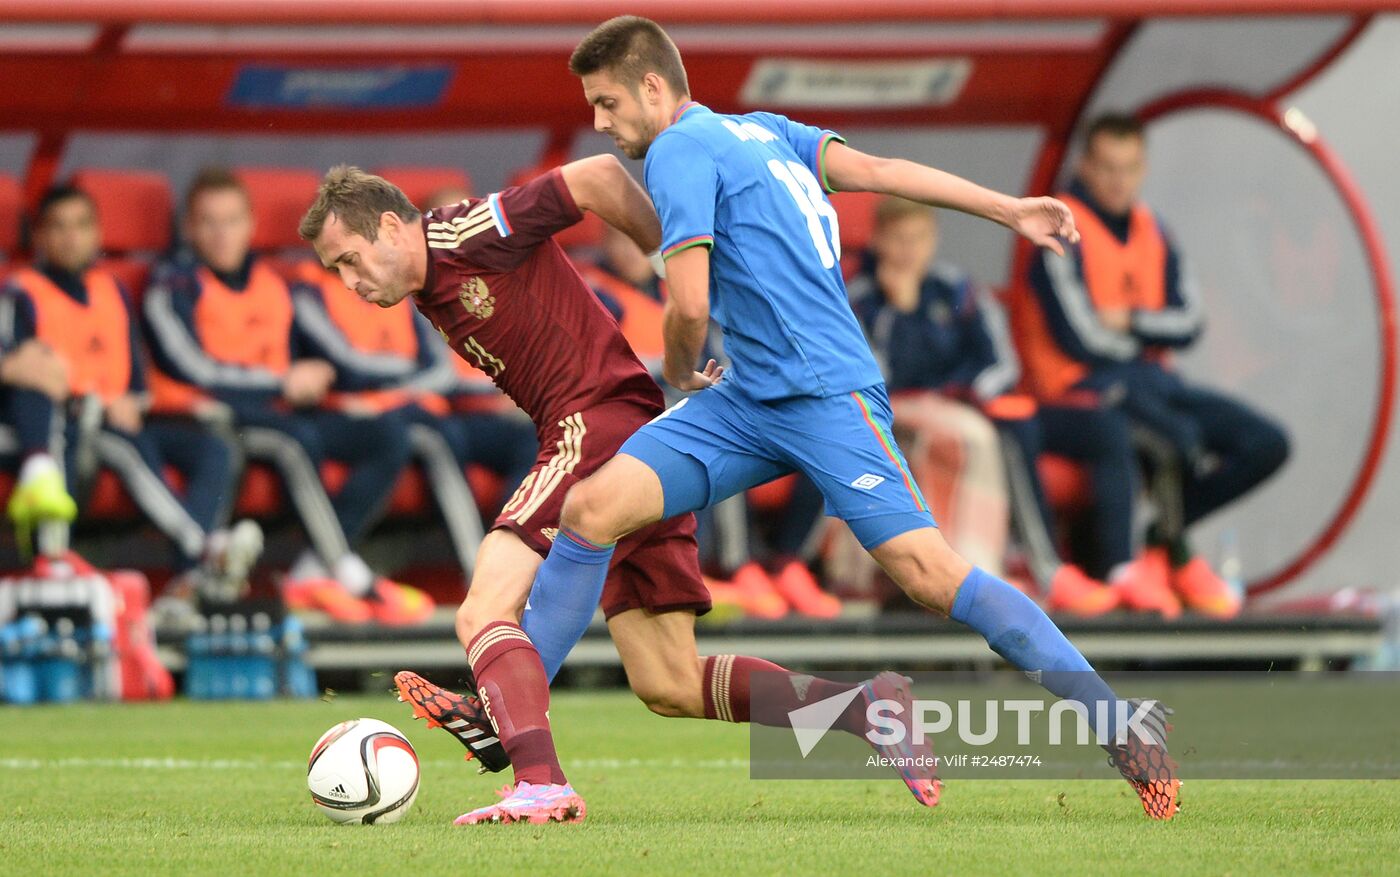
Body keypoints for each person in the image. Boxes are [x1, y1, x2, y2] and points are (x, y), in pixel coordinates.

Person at [513, 15, 1176, 821]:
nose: (599, 122)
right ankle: (518, 736)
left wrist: (681, 369)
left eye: (608, 102)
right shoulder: (765, 130)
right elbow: (883, 170)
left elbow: (687, 304)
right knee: (590, 508)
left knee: (930, 574)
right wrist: (1007, 209)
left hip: (827, 396)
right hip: (749, 397)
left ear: (654, 87)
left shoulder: (679, 150)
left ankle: (1118, 721)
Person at [300, 154, 941, 825]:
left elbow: (600, 176)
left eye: (349, 260)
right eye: (336, 270)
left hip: (592, 424)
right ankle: (867, 711)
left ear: (393, 227)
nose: (348, 282)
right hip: (638, 439)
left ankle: (540, 780)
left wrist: (680, 272)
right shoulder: (429, 284)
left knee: (482, 606)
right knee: (670, 682)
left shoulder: (463, 233)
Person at [1019, 113, 1290, 618]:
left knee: (1267, 443)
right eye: (1107, 167)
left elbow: (1190, 322)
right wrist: (1147, 332)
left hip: (1155, 382)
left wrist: (1130, 320)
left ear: (1143, 168)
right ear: (1084, 166)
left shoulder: (1154, 228)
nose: (1118, 181)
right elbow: (1081, 338)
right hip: (1084, 390)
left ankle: (1160, 540)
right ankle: (1168, 558)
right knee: (1177, 439)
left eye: (1129, 168)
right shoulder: (1058, 228)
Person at [142, 167, 429, 625]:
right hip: (214, 414)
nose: (221, 233)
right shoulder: (171, 284)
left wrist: (320, 378)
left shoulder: (274, 283)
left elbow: (320, 358)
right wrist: (282, 382)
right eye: (209, 222)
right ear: (189, 228)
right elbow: (189, 368)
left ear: (251, 225)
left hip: (282, 409)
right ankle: (348, 572)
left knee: (387, 436)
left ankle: (313, 571)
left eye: (231, 220)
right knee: (294, 442)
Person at [848, 196, 1120, 616]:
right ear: (878, 241)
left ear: (933, 239)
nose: (908, 251)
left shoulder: (957, 287)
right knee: (966, 434)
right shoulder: (860, 299)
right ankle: (958, 575)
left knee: (1031, 425)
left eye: (918, 239)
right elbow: (875, 377)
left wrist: (964, 395)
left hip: (963, 403)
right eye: (898, 239)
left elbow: (999, 362)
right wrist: (902, 309)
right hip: (891, 414)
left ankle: (1038, 570)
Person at [1, 184, 261, 598]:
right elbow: (20, 374)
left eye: (81, 226)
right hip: (72, 421)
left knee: (215, 449)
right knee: (124, 445)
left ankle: (188, 578)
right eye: (59, 227)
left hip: (123, 416)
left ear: (98, 233)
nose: (71, 237)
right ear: (40, 236)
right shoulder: (21, 292)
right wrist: (98, 403)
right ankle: (203, 553)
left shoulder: (112, 290)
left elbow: (137, 383)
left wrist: (130, 403)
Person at [291, 260, 537, 576]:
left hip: (423, 405)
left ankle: (513, 556)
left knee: (533, 438)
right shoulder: (312, 291)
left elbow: (442, 371)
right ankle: (484, 573)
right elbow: (348, 369)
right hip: (354, 413)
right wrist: (404, 377)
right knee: (433, 436)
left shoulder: (405, 290)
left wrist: (391, 391)